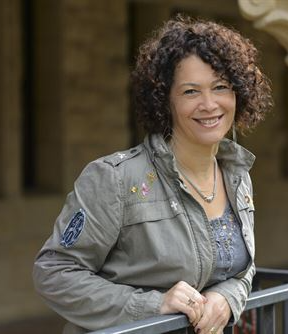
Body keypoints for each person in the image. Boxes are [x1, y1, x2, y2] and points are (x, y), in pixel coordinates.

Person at [33, 15, 272, 334]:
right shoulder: (115, 179)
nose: (209, 104)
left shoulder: (236, 174)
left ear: (238, 94)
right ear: (165, 100)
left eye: (221, 87)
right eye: (190, 91)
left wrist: (227, 297)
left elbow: (242, 268)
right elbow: (54, 271)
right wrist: (152, 305)